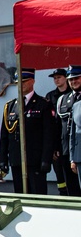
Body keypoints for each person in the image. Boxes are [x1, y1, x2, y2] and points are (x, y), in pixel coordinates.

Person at [0, 69, 53, 194]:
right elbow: (4, 135)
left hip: (35, 160)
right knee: (20, 195)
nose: (21, 84)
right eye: (18, 82)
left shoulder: (43, 104)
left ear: (33, 81)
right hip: (17, 159)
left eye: (24, 81)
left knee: (37, 195)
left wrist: (46, 159)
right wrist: (3, 158)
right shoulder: (10, 106)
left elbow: (48, 135)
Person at [47, 68, 75, 196]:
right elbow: (51, 124)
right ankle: (63, 195)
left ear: (65, 78)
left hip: (72, 141)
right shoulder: (50, 96)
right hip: (58, 141)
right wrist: (53, 147)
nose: (56, 80)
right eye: (54, 78)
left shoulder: (73, 94)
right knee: (60, 176)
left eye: (59, 77)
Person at [58, 66, 81, 196]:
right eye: (71, 79)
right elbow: (58, 126)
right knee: (72, 191)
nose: (73, 82)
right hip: (67, 150)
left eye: (76, 78)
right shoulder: (63, 99)